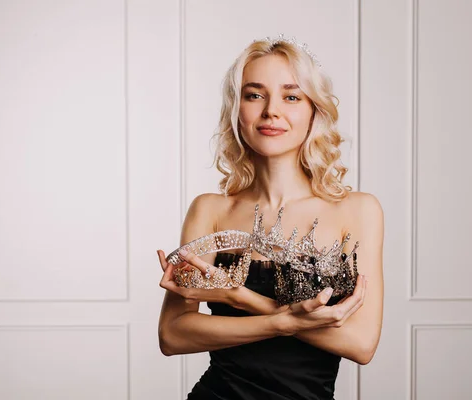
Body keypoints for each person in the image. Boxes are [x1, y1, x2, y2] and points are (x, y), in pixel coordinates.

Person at [156, 34, 384, 400]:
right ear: (238, 110)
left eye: (291, 96)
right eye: (254, 95)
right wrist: (282, 321)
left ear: (314, 110)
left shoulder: (356, 210)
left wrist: (243, 298)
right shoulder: (210, 209)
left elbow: (361, 344)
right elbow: (172, 335)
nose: (271, 111)